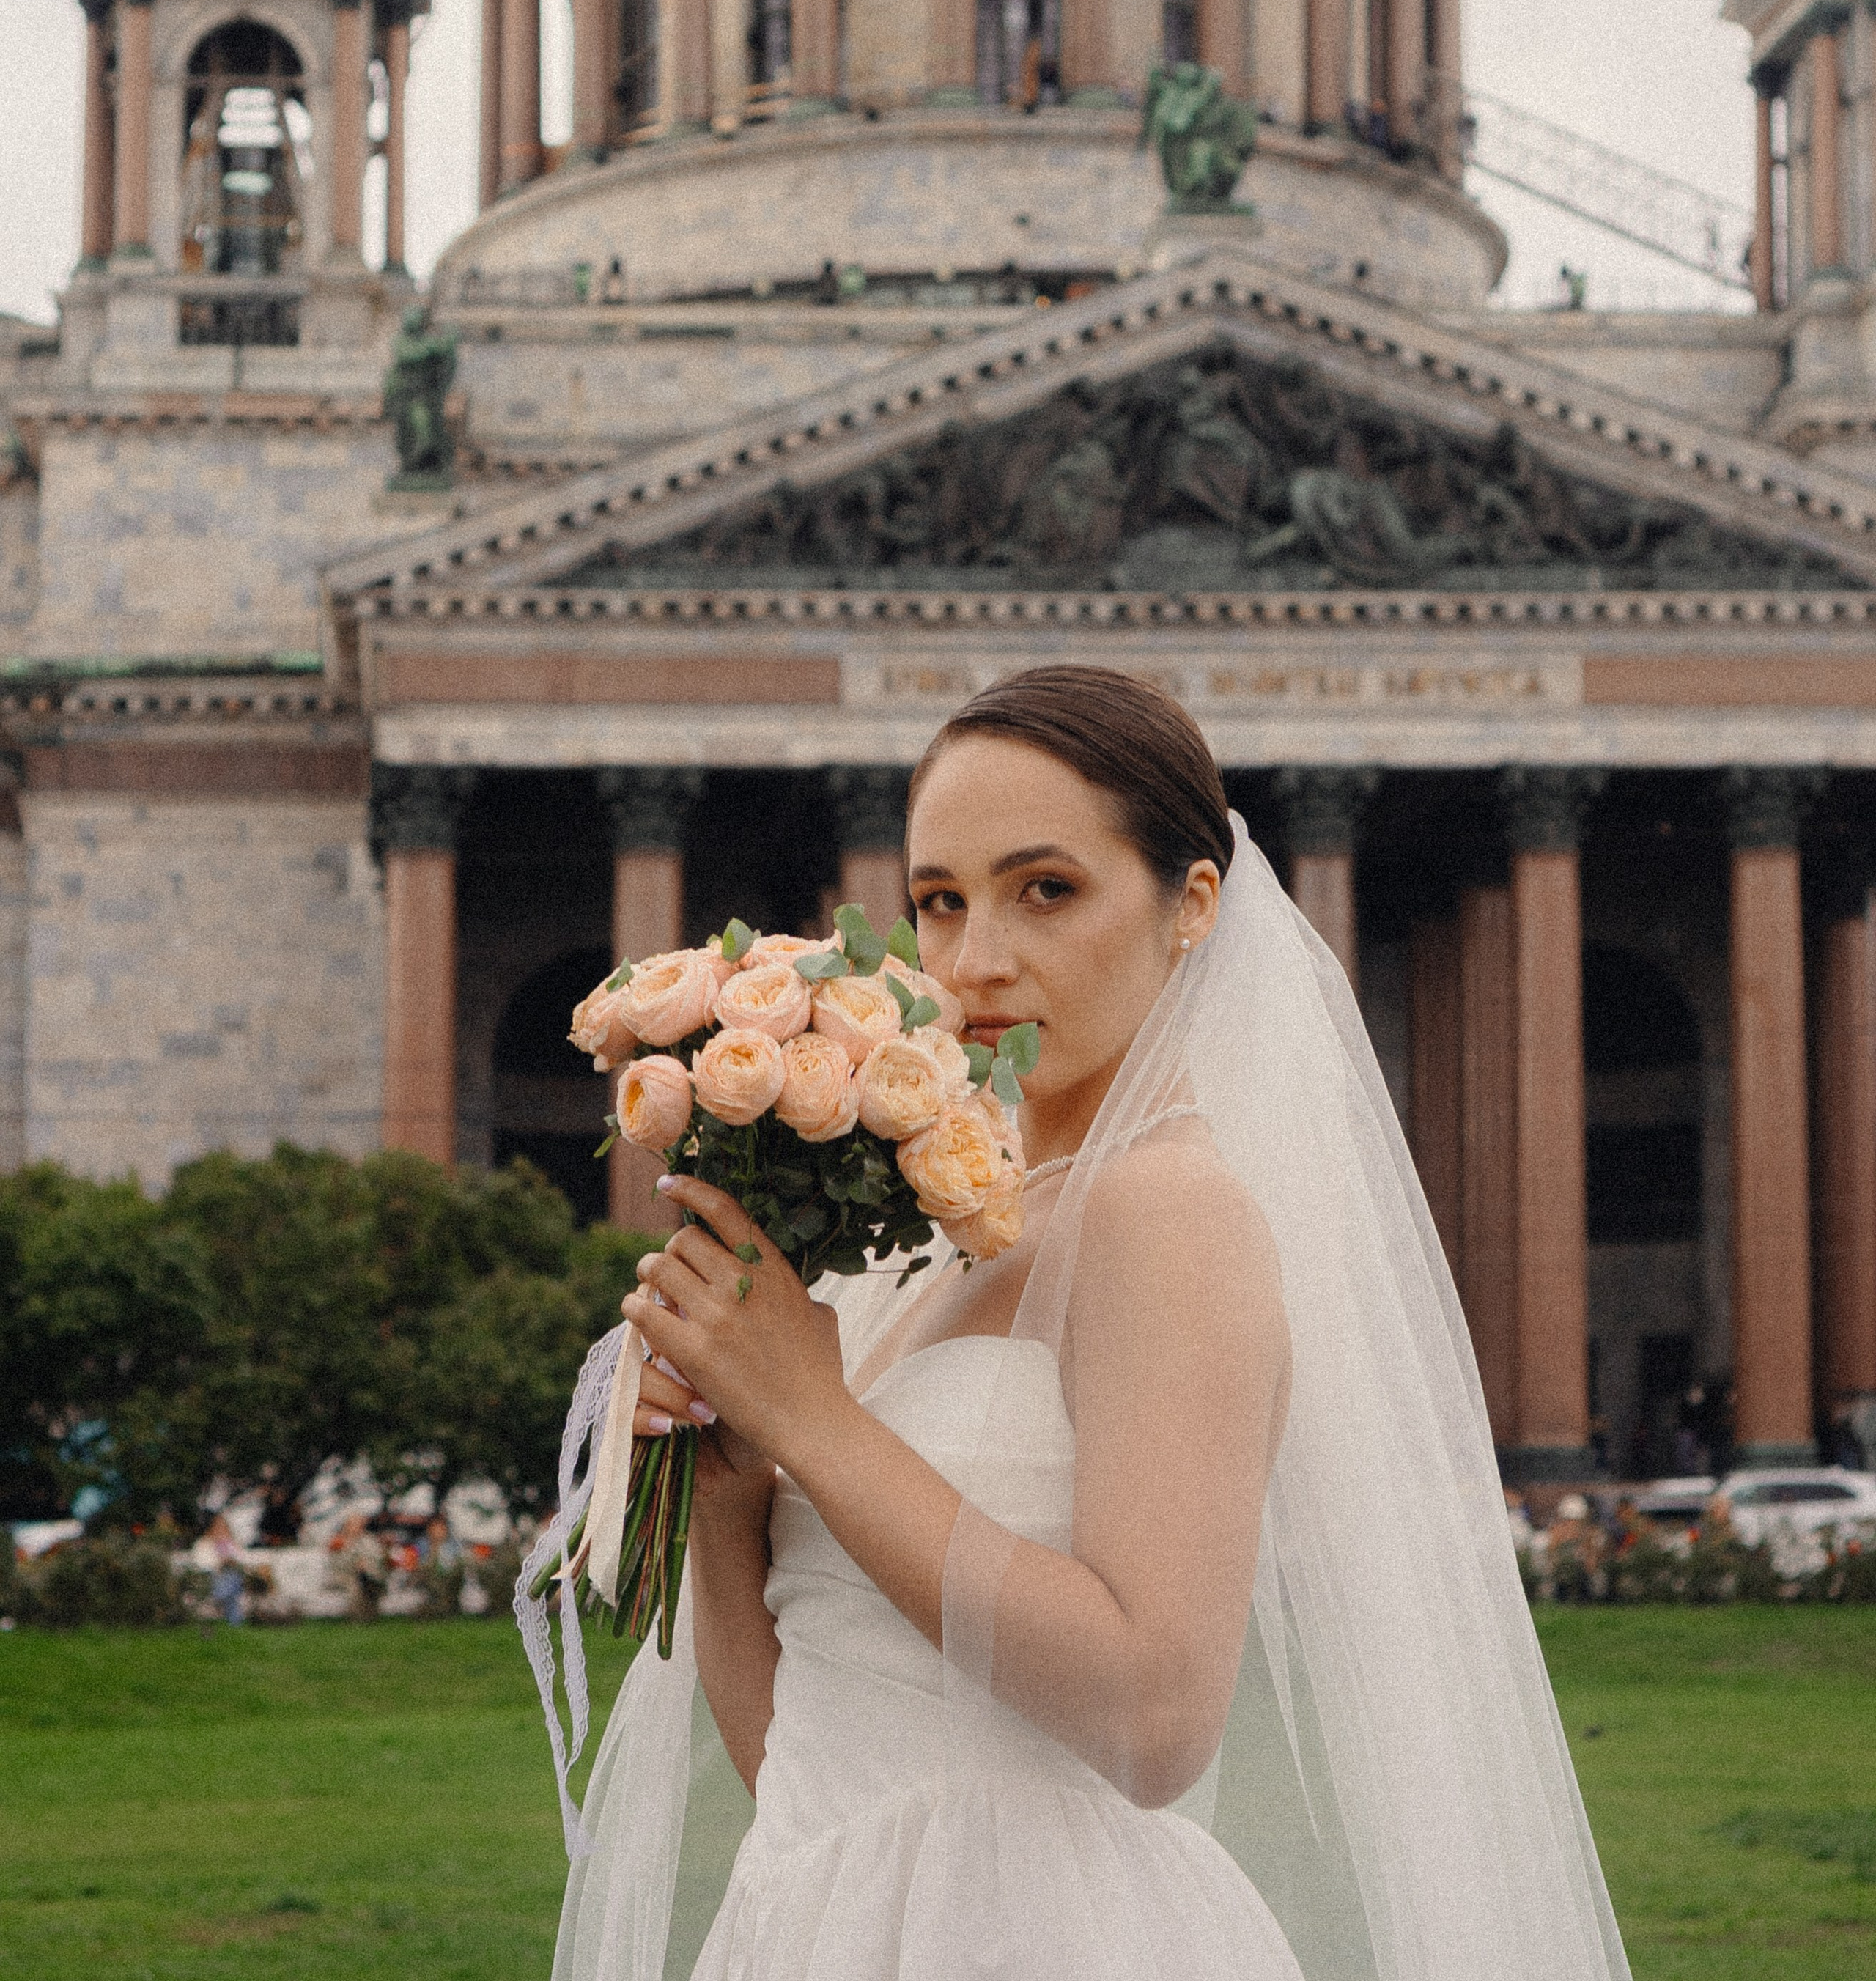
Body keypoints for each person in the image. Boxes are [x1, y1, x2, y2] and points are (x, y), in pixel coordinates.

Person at [547, 666, 1631, 1980]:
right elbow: (805, 1762)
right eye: (940, 901)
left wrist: (821, 1425)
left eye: (1044, 890)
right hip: (821, 1924)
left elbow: (1158, 1716)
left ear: (1191, 906)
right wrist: (733, 1489)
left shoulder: (1170, 1212)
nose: (974, 959)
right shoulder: (926, 1241)